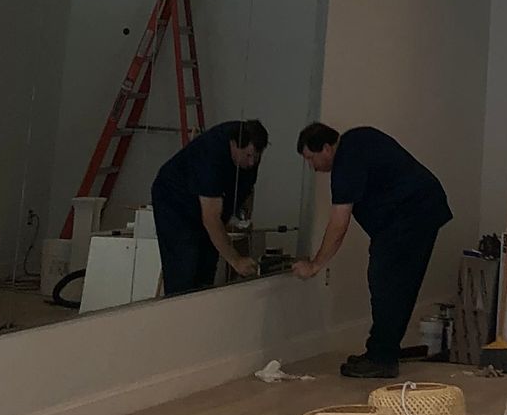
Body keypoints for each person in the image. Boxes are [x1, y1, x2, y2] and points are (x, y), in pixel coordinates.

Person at [292, 121, 452, 377]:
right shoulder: (358, 139)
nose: (312, 166)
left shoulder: (346, 162)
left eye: (311, 158)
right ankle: (382, 350)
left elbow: (339, 223)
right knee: (397, 284)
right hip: (422, 209)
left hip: (410, 215)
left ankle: (382, 358)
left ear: (326, 148)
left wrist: (315, 265)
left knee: (385, 281)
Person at [149, 118, 267, 297]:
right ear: (234, 144)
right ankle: (179, 307)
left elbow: (248, 189)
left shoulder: (249, 153)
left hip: (207, 204)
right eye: (248, 155)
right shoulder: (210, 157)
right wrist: (236, 260)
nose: (251, 162)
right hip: (175, 203)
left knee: (208, 262)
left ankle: (203, 303)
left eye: (256, 157)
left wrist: (243, 218)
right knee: (185, 264)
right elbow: (211, 219)